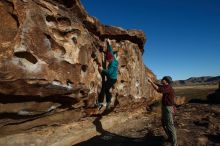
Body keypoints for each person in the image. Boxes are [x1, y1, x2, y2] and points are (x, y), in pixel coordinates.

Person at [148, 76, 178, 146]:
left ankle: (175, 144)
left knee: (170, 125)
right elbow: (159, 85)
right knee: (164, 123)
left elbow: (158, 89)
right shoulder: (165, 86)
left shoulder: (168, 87)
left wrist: (151, 82)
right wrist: (152, 81)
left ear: (166, 81)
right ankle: (170, 138)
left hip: (168, 108)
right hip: (165, 107)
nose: (162, 80)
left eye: (163, 79)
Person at [97, 39, 118, 110]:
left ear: (111, 59)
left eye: (108, 60)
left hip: (112, 79)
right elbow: (110, 51)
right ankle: (107, 102)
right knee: (106, 89)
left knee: (104, 88)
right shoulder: (113, 58)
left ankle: (100, 102)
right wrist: (109, 44)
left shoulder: (112, 64)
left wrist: (102, 69)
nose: (107, 61)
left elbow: (109, 72)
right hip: (112, 77)